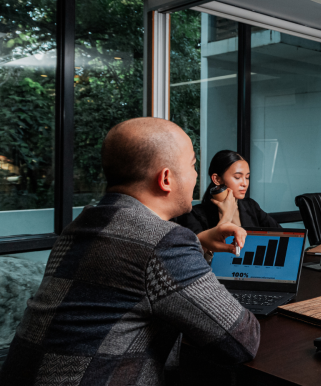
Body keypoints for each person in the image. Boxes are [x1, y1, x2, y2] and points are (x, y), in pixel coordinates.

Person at [0, 118, 260, 385]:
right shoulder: (164, 241)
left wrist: (200, 242)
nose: (196, 175)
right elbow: (241, 340)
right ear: (166, 178)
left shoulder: (81, 225)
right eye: (193, 165)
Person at [176, 150, 280, 260]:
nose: (244, 183)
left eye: (247, 177)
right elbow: (196, 259)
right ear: (216, 179)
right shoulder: (194, 214)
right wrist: (226, 216)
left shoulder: (251, 206)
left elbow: (281, 235)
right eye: (237, 177)